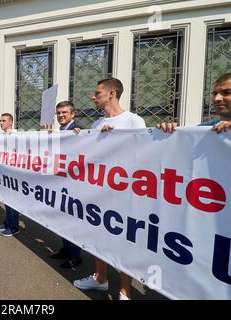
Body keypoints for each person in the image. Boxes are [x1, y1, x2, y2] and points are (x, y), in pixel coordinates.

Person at [72, 78, 146, 300]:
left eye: (97, 93)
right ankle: (101, 279)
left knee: (125, 241)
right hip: (101, 192)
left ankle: (124, 291)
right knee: (99, 236)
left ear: (112, 93)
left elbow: (144, 155)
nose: (93, 97)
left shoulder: (134, 121)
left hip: (125, 194)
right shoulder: (96, 124)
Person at [47, 101, 83, 269]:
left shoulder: (79, 130)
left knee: (72, 221)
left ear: (72, 114)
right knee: (62, 219)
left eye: (64, 112)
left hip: (74, 184)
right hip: (60, 181)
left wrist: (83, 135)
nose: (61, 115)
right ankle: (66, 249)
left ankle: (75, 255)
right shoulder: (59, 131)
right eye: (59, 113)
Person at [157, 72, 231, 133]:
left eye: (227, 92)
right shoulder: (203, 131)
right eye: (215, 94)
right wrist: (167, 133)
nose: (216, 98)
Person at [0, 113, 21, 236]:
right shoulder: (1, 136)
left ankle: (14, 226)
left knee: (13, 201)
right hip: (4, 174)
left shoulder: (16, 136)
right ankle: (7, 222)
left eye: (4, 120)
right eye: (0, 120)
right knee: (6, 200)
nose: (1, 123)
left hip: (13, 175)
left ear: (11, 122)